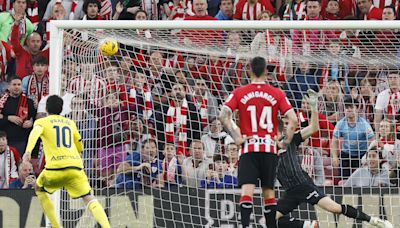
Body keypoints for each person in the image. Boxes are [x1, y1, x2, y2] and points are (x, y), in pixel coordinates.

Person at [275, 90, 393, 228]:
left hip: (303, 185)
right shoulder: (264, 148)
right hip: (290, 191)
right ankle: (308, 225)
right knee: (272, 220)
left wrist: (313, 108)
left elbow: (314, 128)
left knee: (336, 208)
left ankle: (373, 220)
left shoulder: (291, 140)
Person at [219, 56, 298, 228]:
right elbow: (293, 119)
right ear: (266, 72)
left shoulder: (239, 92)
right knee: (269, 193)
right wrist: (283, 143)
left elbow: (223, 115)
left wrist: (237, 137)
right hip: (269, 149)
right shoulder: (277, 93)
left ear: (249, 71)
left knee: (247, 191)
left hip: (249, 148)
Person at [22, 95, 110, 228]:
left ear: (46, 108)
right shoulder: (70, 123)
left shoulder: (42, 122)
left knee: (39, 189)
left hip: (55, 169)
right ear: (62, 109)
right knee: (89, 198)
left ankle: (57, 226)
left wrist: (28, 152)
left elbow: (34, 134)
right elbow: (79, 142)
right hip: (75, 168)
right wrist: (80, 153)